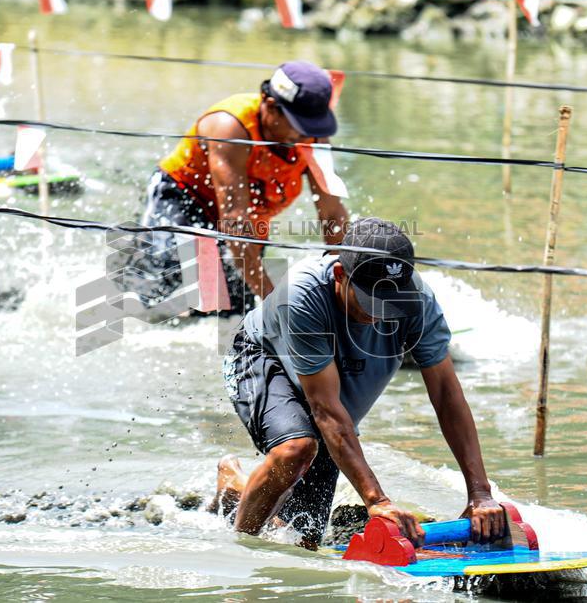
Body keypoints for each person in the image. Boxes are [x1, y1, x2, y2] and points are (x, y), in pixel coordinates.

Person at [209, 217, 505, 550]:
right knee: (296, 448)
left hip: (328, 383)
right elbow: (325, 411)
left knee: (301, 538)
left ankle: (236, 484)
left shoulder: (418, 301)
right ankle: (239, 549)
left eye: (389, 302)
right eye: (369, 301)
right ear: (340, 275)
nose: (379, 313)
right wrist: (376, 499)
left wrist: (480, 492)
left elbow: (447, 394)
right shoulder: (302, 294)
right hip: (261, 357)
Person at [111, 60, 350, 315]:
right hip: (185, 198)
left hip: (249, 220)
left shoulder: (314, 137)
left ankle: (194, 310)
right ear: (270, 106)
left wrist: (340, 288)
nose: (306, 137)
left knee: (233, 310)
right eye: (300, 127)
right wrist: (274, 303)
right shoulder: (230, 126)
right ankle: (127, 275)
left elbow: (332, 215)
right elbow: (235, 221)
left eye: (312, 128)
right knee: (154, 285)